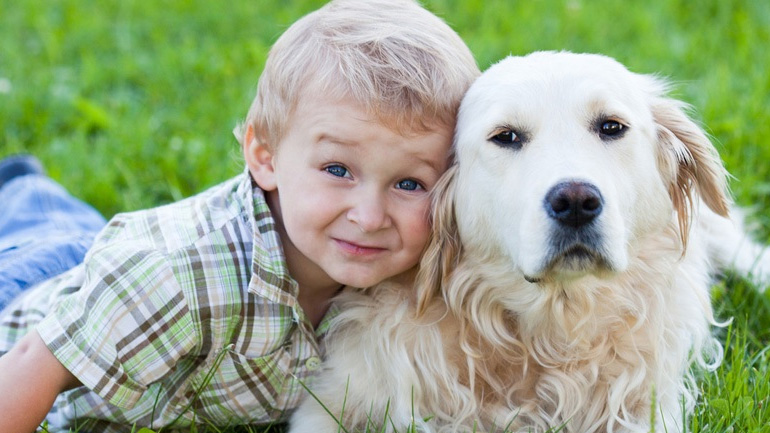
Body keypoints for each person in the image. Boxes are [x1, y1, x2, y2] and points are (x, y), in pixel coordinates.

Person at [0, 0, 480, 431]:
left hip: (100, 258)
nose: (371, 215)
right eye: (338, 170)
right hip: (26, 298)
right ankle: (23, 186)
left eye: (409, 184)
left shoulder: (408, 278)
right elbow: (33, 360)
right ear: (265, 155)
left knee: (71, 229)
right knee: (45, 231)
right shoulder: (176, 278)